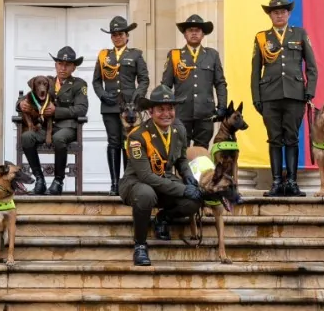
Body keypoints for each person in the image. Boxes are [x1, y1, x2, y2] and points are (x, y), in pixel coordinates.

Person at [119, 85, 203, 266]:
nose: (167, 114)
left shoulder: (178, 130)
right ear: (151, 111)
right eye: (161, 109)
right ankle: (140, 245)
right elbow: (146, 176)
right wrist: (182, 188)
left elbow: (181, 159)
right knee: (146, 194)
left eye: (170, 108)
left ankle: (163, 218)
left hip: (163, 180)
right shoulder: (137, 136)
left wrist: (188, 176)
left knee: (194, 200)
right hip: (136, 183)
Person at [250, 0, 318, 197]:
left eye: (283, 11)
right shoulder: (261, 37)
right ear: (270, 15)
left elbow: (312, 66)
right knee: (274, 140)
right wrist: (256, 97)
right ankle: (277, 182)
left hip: (295, 95)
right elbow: (255, 70)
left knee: (292, 139)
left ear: (288, 13)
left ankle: (292, 183)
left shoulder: (300, 33)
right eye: (275, 12)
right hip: (269, 95)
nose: (279, 15)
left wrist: (309, 91)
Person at [92, 16, 150, 195]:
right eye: (114, 35)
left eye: (121, 34)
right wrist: (103, 96)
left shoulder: (136, 55)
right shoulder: (104, 56)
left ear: (127, 36)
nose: (117, 37)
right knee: (113, 142)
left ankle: (128, 182)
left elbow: (143, 79)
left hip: (130, 108)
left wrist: (136, 98)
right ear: (111, 37)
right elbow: (96, 81)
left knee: (130, 142)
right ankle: (114, 184)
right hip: (110, 107)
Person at [18, 46, 89, 195]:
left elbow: (81, 109)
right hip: (45, 127)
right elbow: (29, 97)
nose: (63, 68)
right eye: (60, 64)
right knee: (26, 137)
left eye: (67, 65)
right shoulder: (47, 82)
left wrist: (57, 111)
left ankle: (58, 181)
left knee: (58, 138)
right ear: (55, 65)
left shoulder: (79, 84)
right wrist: (20, 104)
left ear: (73, 67)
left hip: (67, 127)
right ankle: (39, 179)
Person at [160, 14, 227, 149]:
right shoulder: (175, 55)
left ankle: (200, 172)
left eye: (198, 30)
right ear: (184, 34)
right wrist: (164, 110)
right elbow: (166, 86)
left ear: (203, 35)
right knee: (180, 151)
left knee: (201, 152)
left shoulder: (212, 55)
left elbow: (220, 83)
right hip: (181, 112)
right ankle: (182, 172)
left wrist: (222, 106)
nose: (194, 33)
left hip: (205, 112)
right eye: (190, 30)